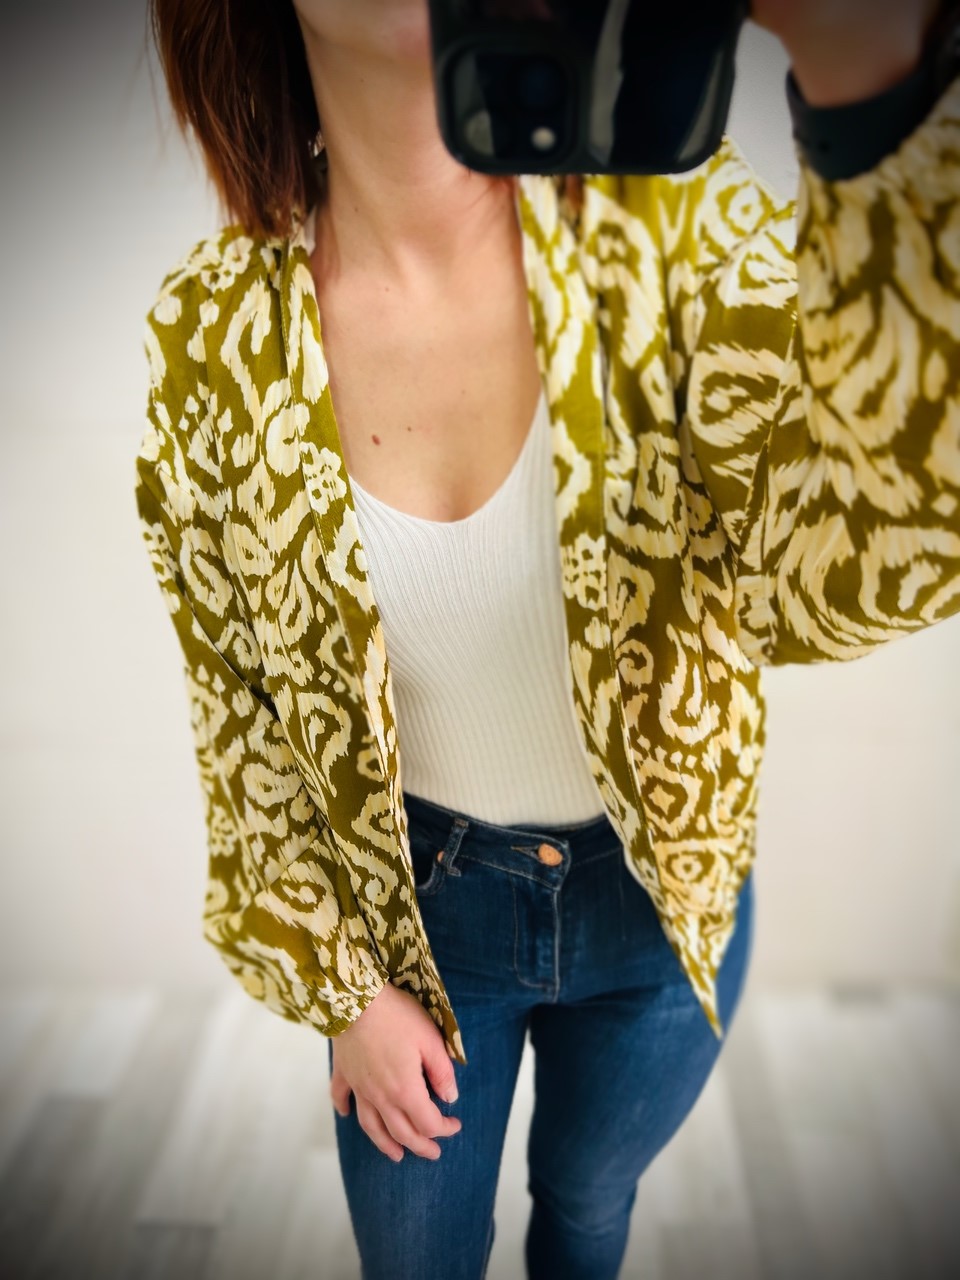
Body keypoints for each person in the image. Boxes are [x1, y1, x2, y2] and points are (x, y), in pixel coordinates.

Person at [137, 1, 958, 1276]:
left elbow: (853, 563)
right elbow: (238, 714)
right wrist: (345, 988)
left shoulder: (676, 233)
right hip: (416, 926)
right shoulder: (210, 337)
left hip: (659, 907)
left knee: (585, 1200)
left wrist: (875, 87)